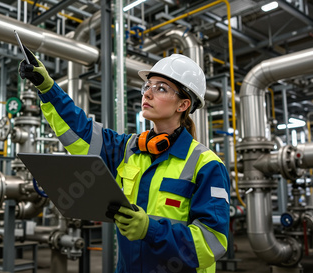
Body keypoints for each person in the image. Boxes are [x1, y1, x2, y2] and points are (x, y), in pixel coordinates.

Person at [20, 49, 230, 273]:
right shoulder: (127, 149)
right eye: (147, 86)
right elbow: (82, 132)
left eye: (161, 88)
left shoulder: (207, 165)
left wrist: (151, 230)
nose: (147, 94)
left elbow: (212, 242)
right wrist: (47, 88)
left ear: (183, 105)